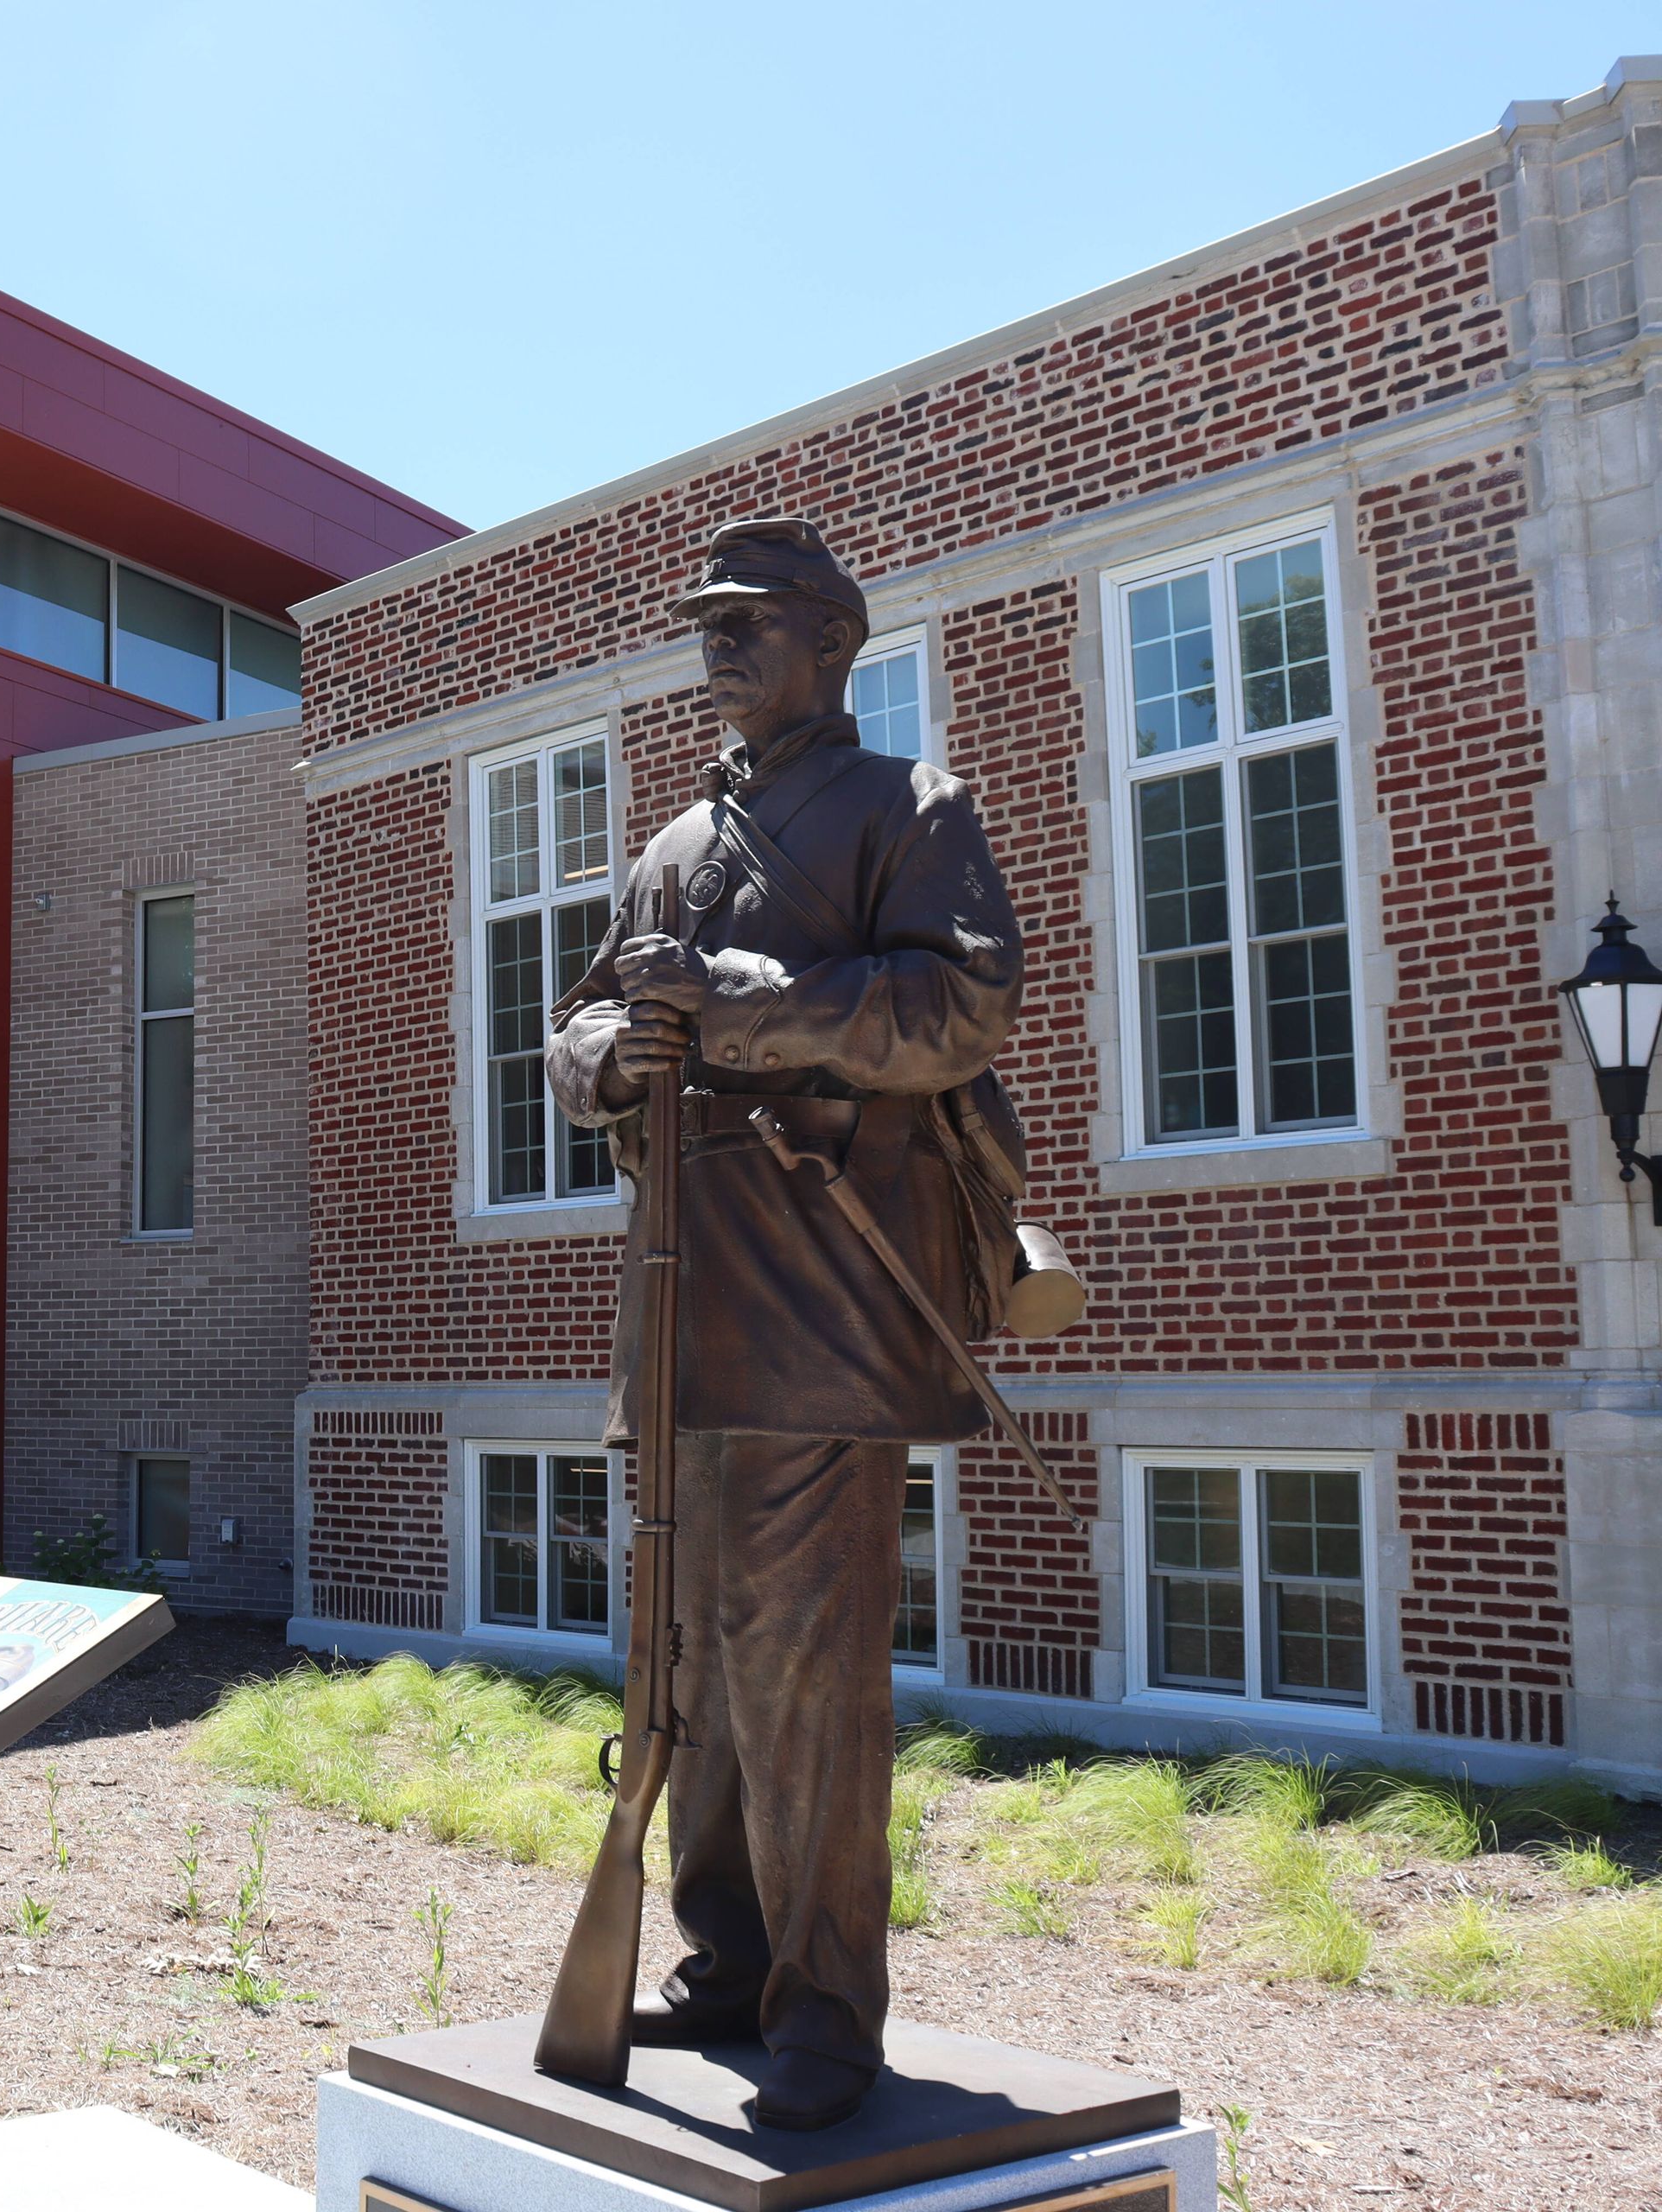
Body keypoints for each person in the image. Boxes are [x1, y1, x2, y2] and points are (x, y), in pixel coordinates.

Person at [546, 517, 1023, 2131]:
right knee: (684, 1655)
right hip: (683, 1289)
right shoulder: (675, 842)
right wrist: (607, 1054)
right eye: (707, 621)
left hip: (832, 1289)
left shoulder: (906, 807)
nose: (721, 642)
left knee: (803, 1665)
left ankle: (828, 2011)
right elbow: (583, 1015)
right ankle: (727, 1963)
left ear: (834, 637)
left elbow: (962, 1003)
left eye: (753, 619)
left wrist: (745, 1011)